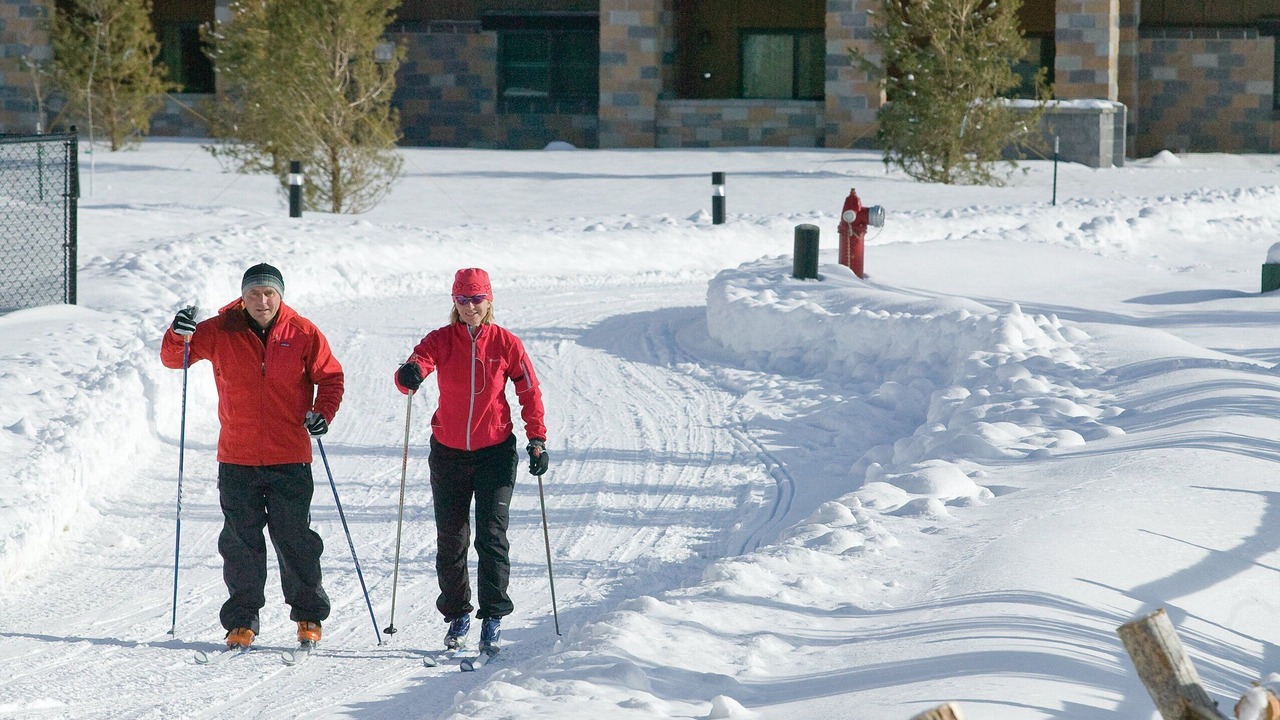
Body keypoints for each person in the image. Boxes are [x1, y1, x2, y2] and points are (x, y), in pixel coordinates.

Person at [161, 262, 344, 650]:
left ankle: (308, 615)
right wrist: (178, 334)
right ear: (242, 297)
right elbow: (175, 358)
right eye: (254, 294)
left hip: (290, 455)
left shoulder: (304, 332)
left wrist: (322, 414)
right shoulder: (221, 329)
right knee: (240, 543)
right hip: (237, 457)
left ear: (281, 295)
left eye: (269, 293)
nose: (262, 301)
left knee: (295, 538)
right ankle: (242, 621)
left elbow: (330, 378)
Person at [394, 267, 548, 654]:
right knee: (451, 540)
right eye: (462, 300)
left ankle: (492, 617)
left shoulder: (506, 344)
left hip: (495, 453)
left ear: (489, 300)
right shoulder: (441, 340)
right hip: (448, 454)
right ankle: (458, 613)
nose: (469, 307)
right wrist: (409, 374)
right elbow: (413, 370)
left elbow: (529, 390)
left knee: (491, 537)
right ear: (454, 302)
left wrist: (537, 439)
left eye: (477, 299)